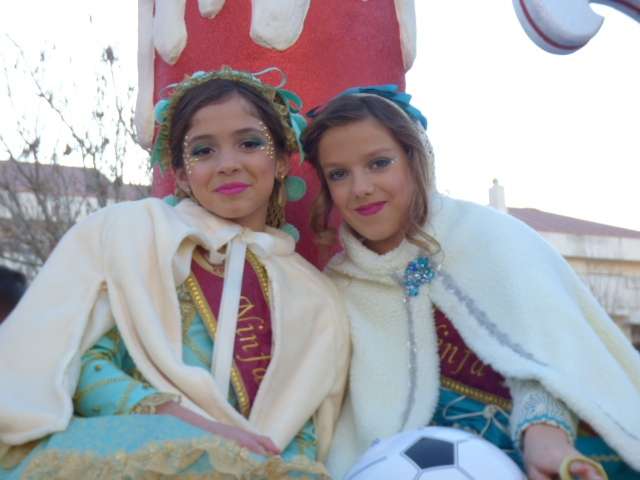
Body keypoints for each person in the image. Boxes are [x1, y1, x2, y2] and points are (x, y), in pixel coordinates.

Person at [0, 67, 349, 479]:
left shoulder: (314, 295)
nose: (228, 164)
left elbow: (304, 415)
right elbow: (80, 363)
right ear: (182, 174)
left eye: (250, 143)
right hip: (137, 451)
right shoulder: (132, 234)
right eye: (203, 151)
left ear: (282, 162)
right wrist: (185, 425)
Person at [301, 86, 640, 480]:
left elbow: (551, 357)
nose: (360, 187)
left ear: (415, 160)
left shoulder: (492, 237)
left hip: (552, 452)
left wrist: (544, 433)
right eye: (339, 174)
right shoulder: (339, 286)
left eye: (379, 163)